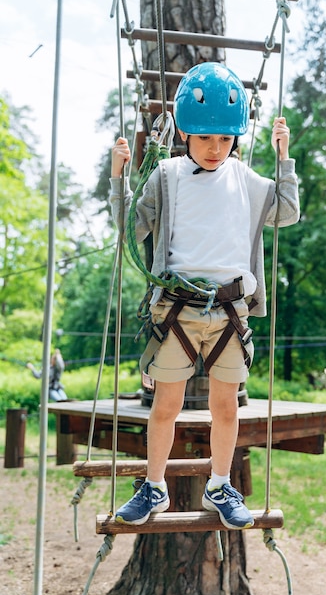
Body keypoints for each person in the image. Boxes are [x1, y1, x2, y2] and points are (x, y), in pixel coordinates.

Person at [110, 62, 300, 529]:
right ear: (185, 135)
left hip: (230, 312)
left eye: (224, 139)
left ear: (236, 137)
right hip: (177, 309)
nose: (216, 149)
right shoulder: (168, 177)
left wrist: (284, 160)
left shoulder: (250, 182)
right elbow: (130, 231)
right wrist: (119, 178)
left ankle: (219, 484)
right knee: (165, 406)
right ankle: (154, 488)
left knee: (224, 406)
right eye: (205, 139)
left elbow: (289, 212)